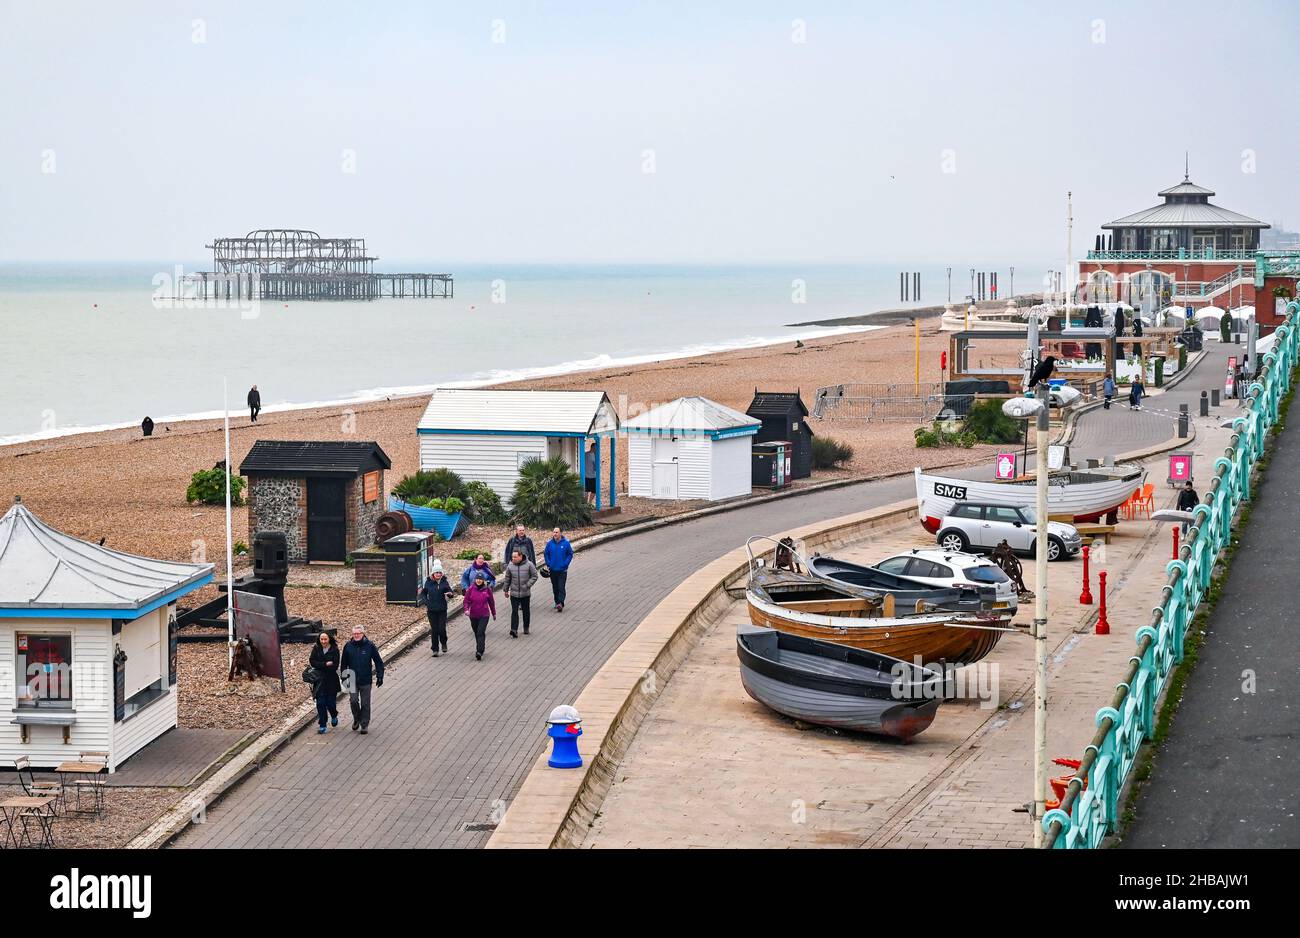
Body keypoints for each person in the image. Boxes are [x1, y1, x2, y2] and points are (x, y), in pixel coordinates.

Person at [339, 624, 384, 734]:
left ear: (363, 634)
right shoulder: (348, 646)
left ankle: (364, 724)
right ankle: (356, 719)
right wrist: (344, 678)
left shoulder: (370, 646)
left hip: (365, 679)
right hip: (352, 679)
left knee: (365, 704)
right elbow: (343, 663)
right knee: (353, 701)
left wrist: (380, 676)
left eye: (358, 633)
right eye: (354, 634)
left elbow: (378, 662)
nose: (356, 635)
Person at [501, 548, 540, 637]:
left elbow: (535, 576)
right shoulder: (510, 566)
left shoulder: (529, 564)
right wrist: (505, 590)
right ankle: (514, 630)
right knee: (514, 611)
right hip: (514, 593)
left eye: (515, 557)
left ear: (520, 556)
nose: (513, 559)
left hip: (525, 593)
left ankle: (526, 627)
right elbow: (507, 579)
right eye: (512, 557)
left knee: (526, 611)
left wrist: (527, 585)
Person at [309, 631, 340, 733]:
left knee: (330, 703)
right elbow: (312, 661)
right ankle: (322, 724)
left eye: (325, 639)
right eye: (321, 639)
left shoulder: (334, 650)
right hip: (319, 681)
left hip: (331, 681)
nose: (323, 641)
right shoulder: (316, 648)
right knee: (320, 703)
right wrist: (325, 664)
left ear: (329, 639)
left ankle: (334, 714)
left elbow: (335, 665)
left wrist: (321, 665)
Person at [419, 562, 453, 656]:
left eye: (440, 572)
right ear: (433, 574)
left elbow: (449, 591)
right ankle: (435, 649)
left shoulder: (444, 582)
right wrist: (426, 602)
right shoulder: (428, 582)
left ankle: (444, 642)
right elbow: (423, 593)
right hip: (432, 610)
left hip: (442, 609)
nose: (438, 574)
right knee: (434, 630)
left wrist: (450, 594)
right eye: (436, 572)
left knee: (441, 629)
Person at [463, 572, 497, 660]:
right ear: (475, 580)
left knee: (480, 632)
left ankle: (479, 651)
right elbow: (466, 601)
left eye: (480, 579)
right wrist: (466, 609)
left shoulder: (487, 589)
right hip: (473, 615)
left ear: (483, 580)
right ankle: (480, 646)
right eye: (477, 579)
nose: (478, 581)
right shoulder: (471, 589)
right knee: (476, 632)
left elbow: (491, 602)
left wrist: (493, 613)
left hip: (484, 615)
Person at [543, 526, 574, 612]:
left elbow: (570, 554)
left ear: (560, 533)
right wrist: (549, 563)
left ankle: (561, 602)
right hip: (553, 570)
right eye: (554, 532)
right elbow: (546, 554)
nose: (555, 534)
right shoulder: (550, 544)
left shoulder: (566, 543)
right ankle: (557, 602)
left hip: (562, 570)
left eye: (557, 532)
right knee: (555, 587)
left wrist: (565, 564)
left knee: (561, 587)